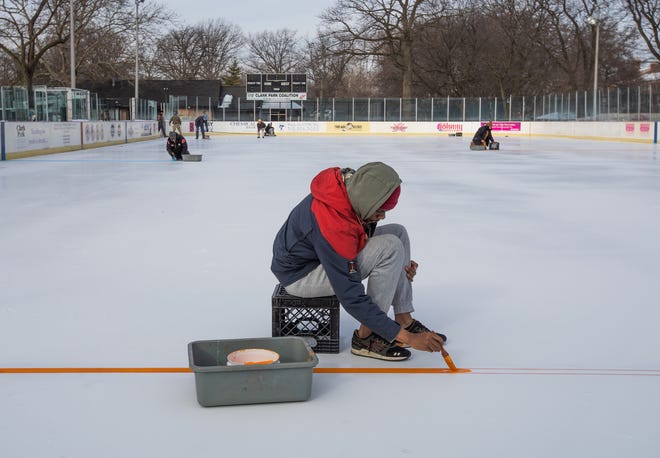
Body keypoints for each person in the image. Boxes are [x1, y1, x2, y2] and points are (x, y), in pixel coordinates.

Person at [271, 162, 447, 361]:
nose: (383, 215)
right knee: (390, 247)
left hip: (319, 256)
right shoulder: (333, 223)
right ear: (368, 200)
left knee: (398, 233)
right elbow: (350, 296)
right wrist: (408, 339)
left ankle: (403, 318)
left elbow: (360, 231)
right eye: (379, 209)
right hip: (301, 276)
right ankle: (367, 337)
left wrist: (399, 267)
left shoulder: (354, 192)